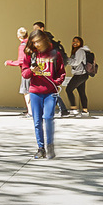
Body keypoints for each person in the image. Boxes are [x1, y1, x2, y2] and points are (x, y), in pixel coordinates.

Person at [22, 28, 67, 159]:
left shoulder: (55, 54)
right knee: (37, 121)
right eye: (34, 42)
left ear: (44, 40)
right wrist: (31, 70)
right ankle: (40, 148)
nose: (36, 44)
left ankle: (50, 145)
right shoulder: (30, 54)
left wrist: (56, 82)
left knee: (48, 118)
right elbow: (24, 74)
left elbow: (62, 72)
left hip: (50, 92)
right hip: (35, 91)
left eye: (38, 41)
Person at [63, 34, 94, 117]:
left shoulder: (80, 51)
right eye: (73, 41)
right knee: (82, 92)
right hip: (82, 74)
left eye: (77, 41)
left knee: (69, 89)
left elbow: (76, 62)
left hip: (79, 75)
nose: (75, 42)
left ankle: (73, 108)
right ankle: (85, 111)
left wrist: (67, 59)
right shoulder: (79, 51)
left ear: (81, 43)